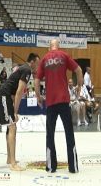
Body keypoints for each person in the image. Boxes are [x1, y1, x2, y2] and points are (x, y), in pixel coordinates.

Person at [35, 39, 83, 174]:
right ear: (59, 46)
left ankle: (51, 167)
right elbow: (78, 70)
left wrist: (38, 96)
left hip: (50, 102)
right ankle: (73, 167)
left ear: (49, 48)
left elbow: (37, 79)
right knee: (69, 134)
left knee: (50, 135)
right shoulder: (64, 55)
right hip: (64, 101)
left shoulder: (44, 59)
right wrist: (79, 86)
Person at [0, 53, 40, 171]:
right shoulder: (27, 69)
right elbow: (19, 92)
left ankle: (9, 158)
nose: (38, 65)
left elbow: (15, 89)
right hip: (5, 95)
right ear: (32, 62)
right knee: (12, 127)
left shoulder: (23, 68)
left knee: (10, 127)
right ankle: (13, 164)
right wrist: (15, 112)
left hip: (6, 95)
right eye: (37, 63)